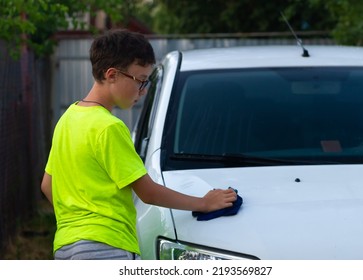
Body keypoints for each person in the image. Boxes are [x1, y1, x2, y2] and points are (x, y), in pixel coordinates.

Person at [40, 29, 237, 260]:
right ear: (112, 74)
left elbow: (47, 185)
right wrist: (204, 202)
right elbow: (148, 193)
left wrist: (77, 225)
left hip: (66, 246)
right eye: (140, 81)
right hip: (105, 247)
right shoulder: (109, 127)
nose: (142, 92)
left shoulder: (68, 119)